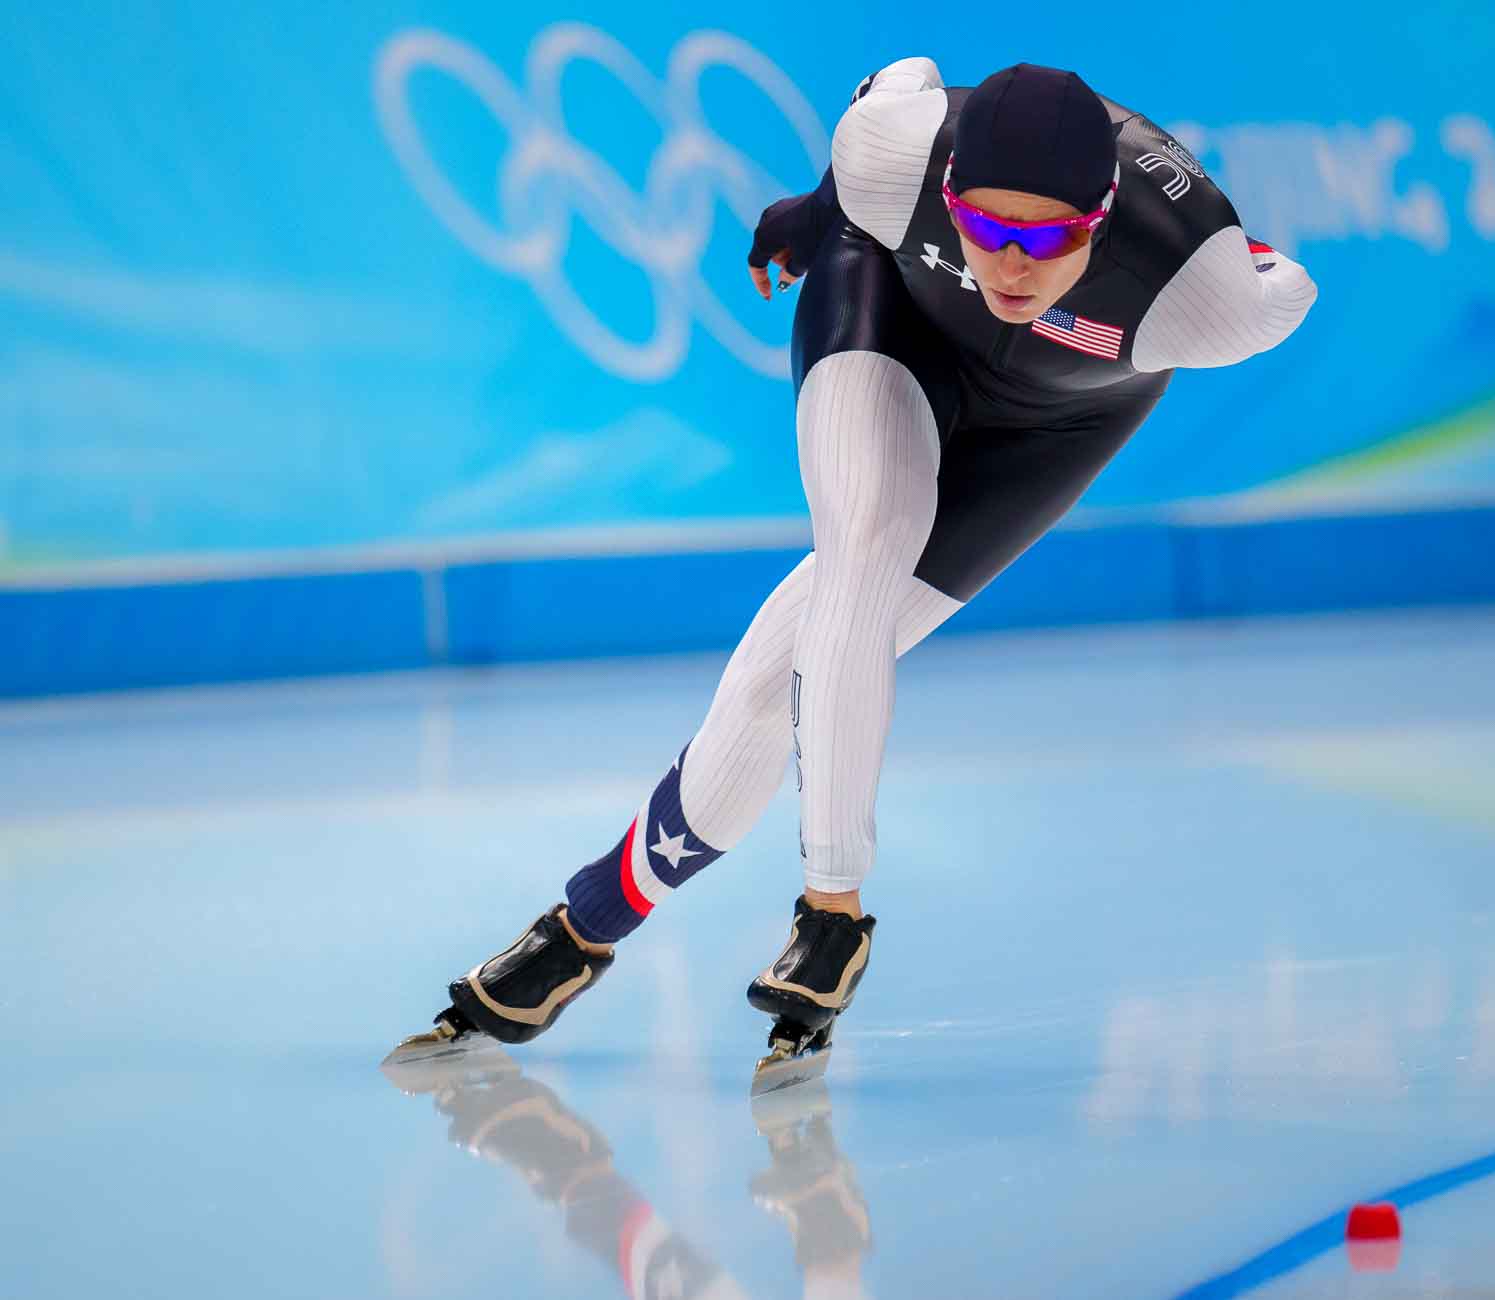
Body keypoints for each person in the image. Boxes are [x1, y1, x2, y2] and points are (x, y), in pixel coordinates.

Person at [390, 59, 1317, 1082]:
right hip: (891, 318)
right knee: (862, 554)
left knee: (760, 685)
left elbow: (1285, 281)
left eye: (1045, 240)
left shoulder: (1210, 296)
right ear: (948, 189)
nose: (1007, 264)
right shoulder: (894, 155)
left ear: (1098, 222)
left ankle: (578, 931)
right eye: (982, 225)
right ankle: (833, 919)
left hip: (1059, 422)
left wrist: (1231, 242)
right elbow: (883, 106)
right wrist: (814, 210)